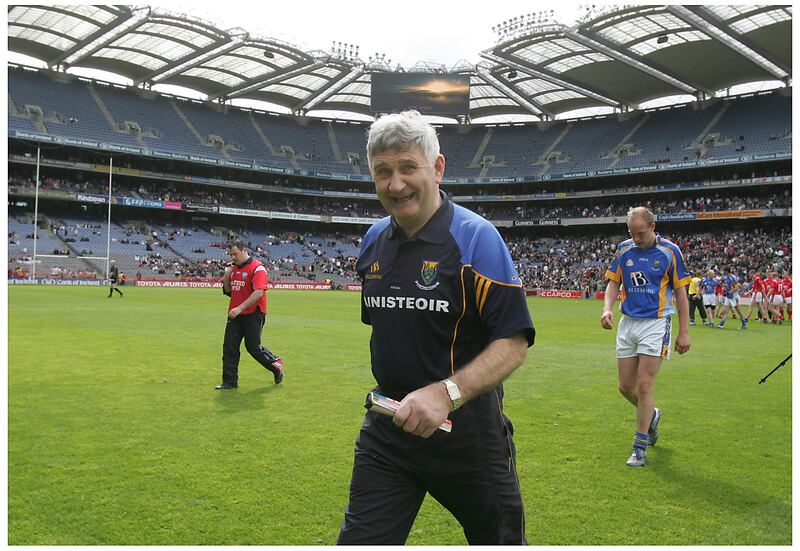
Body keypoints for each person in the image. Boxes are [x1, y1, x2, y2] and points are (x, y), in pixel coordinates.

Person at [338, 110, 535, 545]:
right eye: (383, 172)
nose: (396, 184)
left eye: (409, 167)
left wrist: (445, 394)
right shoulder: (372, 241)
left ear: (438, 168)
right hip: (389, 430)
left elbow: (514, 341)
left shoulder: (476, 239)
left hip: (468, 438)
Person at [601, 207, 691, 468]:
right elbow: (613, 282)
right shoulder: (624, 249)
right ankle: (652, 416)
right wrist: (607, 308)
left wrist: (684, 332)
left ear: (653, 227)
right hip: (628, 323)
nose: (636, 238)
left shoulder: (670, 252)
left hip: (656, 323)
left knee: (643, 385)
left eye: (640, 233)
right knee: (625, 387)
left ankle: (639, 447)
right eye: (632, 233)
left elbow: (681, 294)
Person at [216, 239, 284, 390]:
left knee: (252, 347)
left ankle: (275, 365)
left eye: (235, 253)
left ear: (244, 250)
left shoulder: (258, 268)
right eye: (230, 254)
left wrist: (239, 308)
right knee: (229, 348)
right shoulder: (233, 269)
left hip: (254, 314)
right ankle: (229, 382)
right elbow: (229, 292)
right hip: (235, 315)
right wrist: (226, 276)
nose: (233, 257)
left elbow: (259, 293)